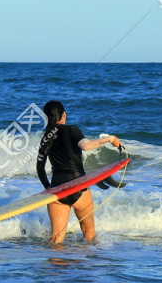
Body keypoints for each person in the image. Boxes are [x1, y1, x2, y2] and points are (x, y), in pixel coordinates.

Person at [36, 100, 122, 243]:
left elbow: (40, 168)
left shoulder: (45, 138)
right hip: (79, 188)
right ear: (64, 115)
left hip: (58, 189)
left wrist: (48, 188)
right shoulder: (72, 129)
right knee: (89, 234)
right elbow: (86, 146)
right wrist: (110, 139)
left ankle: (54, 264)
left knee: (56, 239)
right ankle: (83, 265)